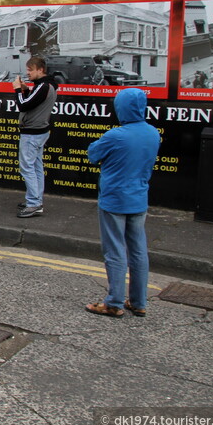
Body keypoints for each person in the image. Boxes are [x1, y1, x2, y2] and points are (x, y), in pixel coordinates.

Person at [85, 88, 160, 318]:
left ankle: (114, 303)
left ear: (122, 108)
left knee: (115, 251)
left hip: (115, 200)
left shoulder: (116, 135)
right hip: (139, 198)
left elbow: (92, 154)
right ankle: (138, 302)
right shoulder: (152, 133)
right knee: (138, 251)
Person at [13, 56, 57, 218]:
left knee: (27, 167)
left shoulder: (43, 86)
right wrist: (25, 90)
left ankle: (34, 203)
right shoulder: (47, 86)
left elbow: (23, 105)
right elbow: (32, 101)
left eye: (31, 69)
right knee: (36, 167)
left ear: (41, 70)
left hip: (32, 133)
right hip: (40, 131)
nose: (28, 72)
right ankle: (35, 198)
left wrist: (18, 89)